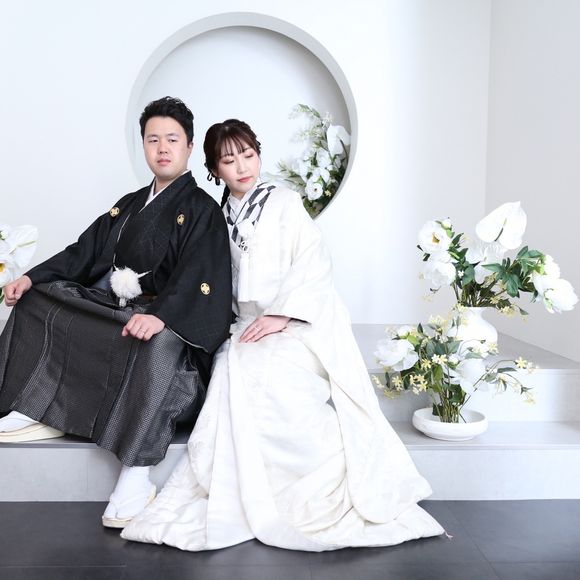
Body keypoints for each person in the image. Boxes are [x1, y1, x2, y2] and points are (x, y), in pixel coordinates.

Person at [121, 119, 444, 551]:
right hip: (245, 325)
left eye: (248, 155)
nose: (242, 167)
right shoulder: (216, 216)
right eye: (229, 161)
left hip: (296, 321)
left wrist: (282, 315)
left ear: (259, 155)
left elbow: (314, 260)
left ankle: (311, 486)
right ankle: (260, 491)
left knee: (279, 386)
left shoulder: (284, 202)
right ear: (214, 169)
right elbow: (207, 277)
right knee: (238, 373)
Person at [0, 97, 232, 528]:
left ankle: (136, 473)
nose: (162, 148)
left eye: (172, 139)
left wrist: (162, 315)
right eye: (153, 140)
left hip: (166, 330)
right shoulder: (129, 204)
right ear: (143, 146)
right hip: (121, 314)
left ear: (189, 146)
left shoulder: (203, 210)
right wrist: (31, 277)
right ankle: (37, 404)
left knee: (158, 343)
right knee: (39, 298)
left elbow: (203, 278)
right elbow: (83, 252)